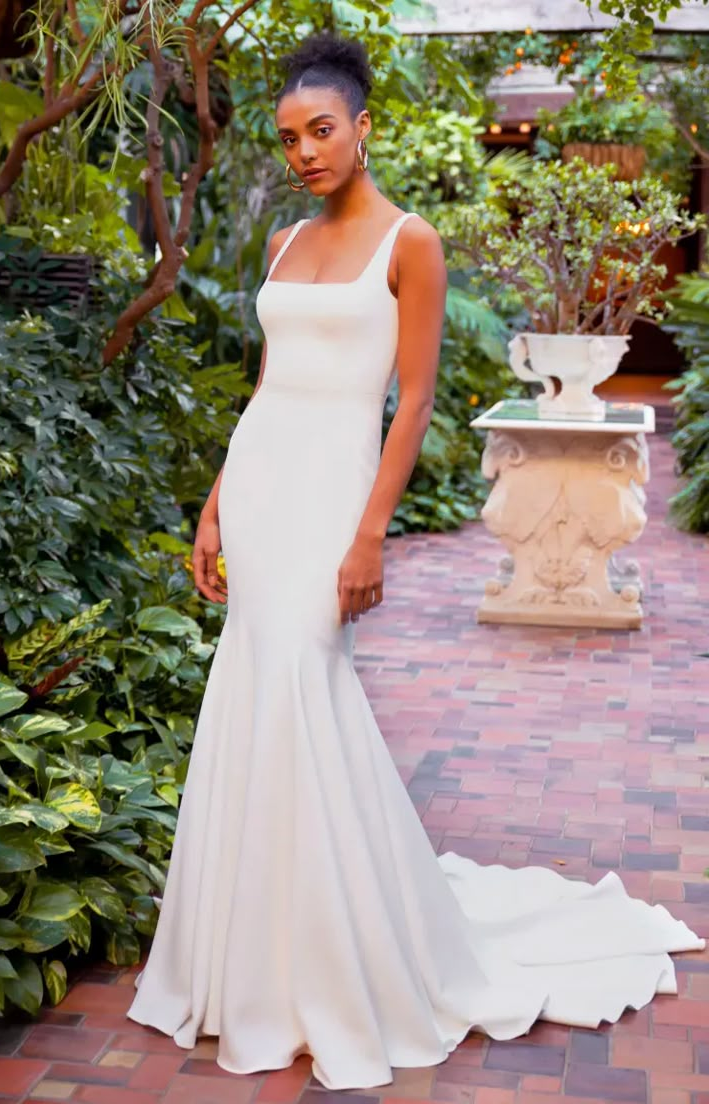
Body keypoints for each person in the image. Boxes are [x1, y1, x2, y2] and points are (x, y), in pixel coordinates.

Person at [126, 32, 705, 1091]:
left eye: (322, 130)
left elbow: (417, 398)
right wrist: (213, 504)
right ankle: (254, 956)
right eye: (290, 136)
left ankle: (341, 957)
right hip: (261, 488)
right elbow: (266, 388)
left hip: (333, 496)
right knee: (256, 688)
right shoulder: (284, 243)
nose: (304, 150)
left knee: (305, 677)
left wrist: (368, 531)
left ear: (363, 128)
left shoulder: (410, 241)